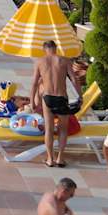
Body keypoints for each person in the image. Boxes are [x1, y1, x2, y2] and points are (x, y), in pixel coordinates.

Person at [31, 39, 84, 167]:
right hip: (61, 98)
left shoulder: (40, 61)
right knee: (63, 129)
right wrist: (80, 96)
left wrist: (32, 101)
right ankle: (60, 158)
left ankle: (50, 159)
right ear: (56, 48)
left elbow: (34, 84)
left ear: (44, 50)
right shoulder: (65, 60)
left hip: (47, 97)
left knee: (49, 129)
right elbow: (74, 79)